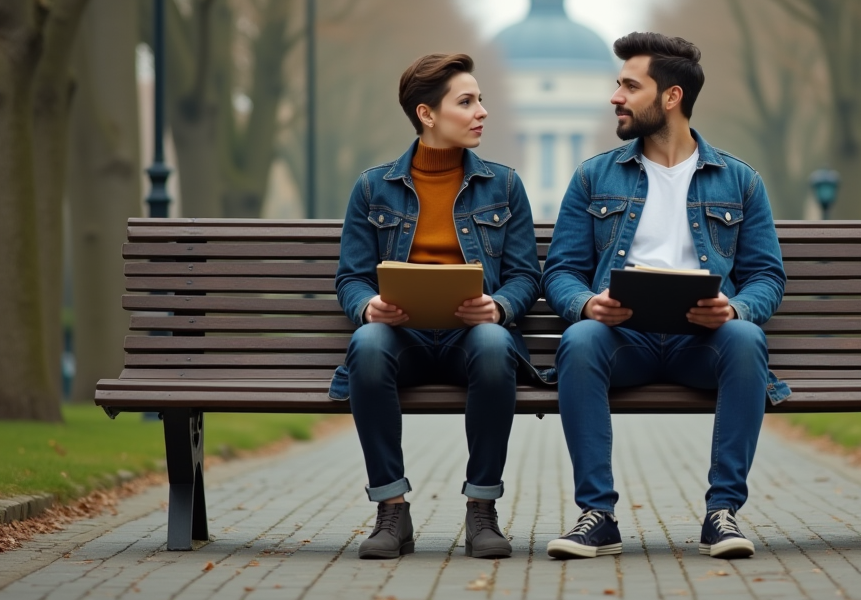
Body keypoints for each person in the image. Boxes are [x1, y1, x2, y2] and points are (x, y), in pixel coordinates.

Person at [542, 32, 790, 560]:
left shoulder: (740, 181)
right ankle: (598, 515)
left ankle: (722, 514)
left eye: (630, 86)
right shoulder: (594, 176)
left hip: (703, 344)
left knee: (744, 338)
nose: (616, 97)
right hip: (622, 340)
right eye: (618, 85)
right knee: (582, 339)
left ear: (671, 97)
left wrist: (735, 308)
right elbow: (561, 270)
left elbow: (767, 276)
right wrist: (588, 304)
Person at [332, 53, 542, 560]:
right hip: (401, 335)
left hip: (470, 336)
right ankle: (391, 510)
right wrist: (369, 307)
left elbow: (525, 277)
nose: (481, 112)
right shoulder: (372, 187)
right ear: (427, 114)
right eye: (466, 102)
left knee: (494, 344)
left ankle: (481, 509)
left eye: (481, 100)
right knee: (368, 342)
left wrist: (498, 307)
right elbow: (351, 278)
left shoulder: (505, 185)